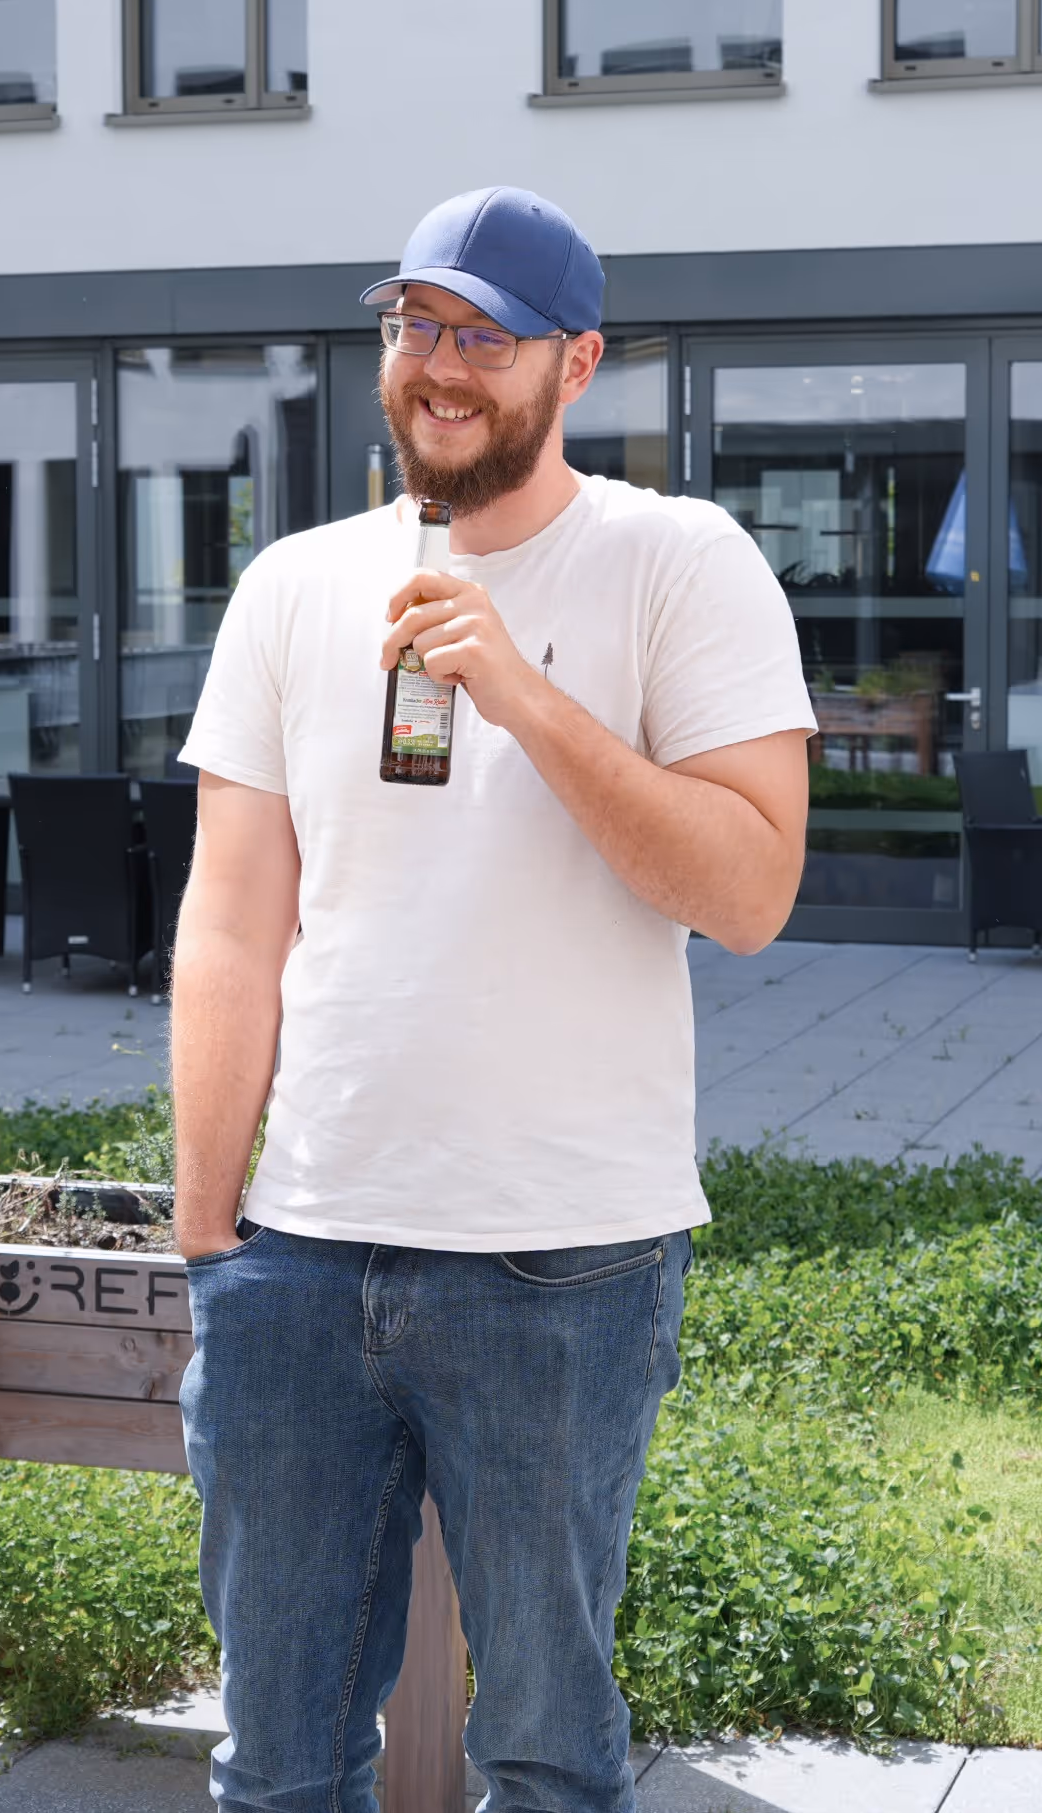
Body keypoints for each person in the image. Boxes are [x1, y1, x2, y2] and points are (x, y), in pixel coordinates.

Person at [171, 187, 817, 1812]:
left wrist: (524, 691)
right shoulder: (294, 586)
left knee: (543, 1751)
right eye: (413, 326)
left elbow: (748, 891)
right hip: (302, 1261)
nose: (438, 367)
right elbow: (235, 917)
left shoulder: (679, 561)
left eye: (482, 335)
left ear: (576, 362)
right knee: (278, 1756)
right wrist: (207, 1234)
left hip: (561, 1263)